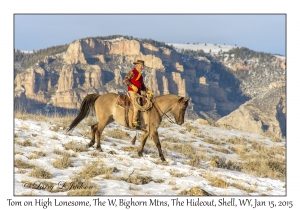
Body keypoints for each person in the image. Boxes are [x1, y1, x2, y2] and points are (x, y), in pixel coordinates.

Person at [123, 60, 153, 127]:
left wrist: (148, 91)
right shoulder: (132, 72)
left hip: (138, 93)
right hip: (132, 92)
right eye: (141, 65)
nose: (142, 67)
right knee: (136, 105)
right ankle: (134, 121)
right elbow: (125, 80)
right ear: (137, 65)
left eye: (143, 66)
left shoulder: (141, 76)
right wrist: (132, 86)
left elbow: (142, 86)